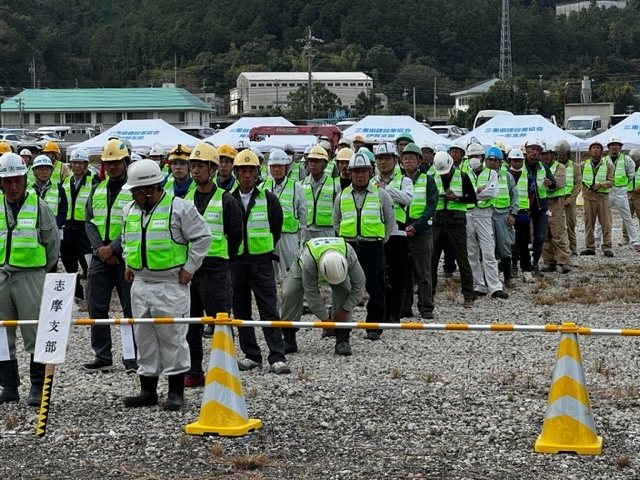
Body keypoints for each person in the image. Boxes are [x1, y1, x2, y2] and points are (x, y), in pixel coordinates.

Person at [121, 160, 211, 410]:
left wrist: (190, 268)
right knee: (144, 338)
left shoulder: (180, 208)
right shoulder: (129, 210)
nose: (133, 195)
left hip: (170, 285)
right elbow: (127, 239)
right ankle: (147, 391)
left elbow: (203, 237)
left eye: (136, 191)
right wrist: (129, 263)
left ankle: (175, 392)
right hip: (140, 284)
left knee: (173, 339)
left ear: (151, 189)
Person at [0, 153, 60, 406]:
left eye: (17, 180)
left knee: (35, 331)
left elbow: (52, 244)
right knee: (2, 333)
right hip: (2, 275)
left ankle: (38, 386)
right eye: (7, 181)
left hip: (31, 275)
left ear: (25, 180)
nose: (13, 187)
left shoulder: (39, 206)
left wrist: (39, 272)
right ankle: (9, 386)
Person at [183, 143, 243, 385]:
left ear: (212, 169)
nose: (196, 170)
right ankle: (194, 372)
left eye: (201, 166)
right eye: (193, 166)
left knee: (221, 323)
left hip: (217, 270)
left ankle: (225, 373)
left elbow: (236, 237)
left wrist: (223, 260)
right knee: (191, 324)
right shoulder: (185, 200)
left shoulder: (227, 201)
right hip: (191, 271)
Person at [230, 149, 290, 374]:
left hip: (261, 262)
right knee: (241, 310)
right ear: (236, 173)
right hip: (236, 263)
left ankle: (277, 356)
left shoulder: (269, 199)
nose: (247, 175)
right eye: (243, 171)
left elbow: (276, 228)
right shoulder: (228, 200)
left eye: (251, 171)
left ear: (257, 173)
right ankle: (252, 355)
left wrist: (262, 249)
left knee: (269, 309)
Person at [83, 139, 138, 374]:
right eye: (108, 163)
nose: (112, 167)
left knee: (130, 309)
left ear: (126, 162)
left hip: (125, 258)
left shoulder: (133, 190)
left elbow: (134, 223)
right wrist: (100, 250)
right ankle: (102, 356)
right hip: (100, 258)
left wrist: (113, 249)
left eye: (116, 162)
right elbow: (89, 222)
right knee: (95, 306)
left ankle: (132, 358)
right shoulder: (97, 189)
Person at [333, 151, 395, 340]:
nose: (360, 175)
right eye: (356, 171)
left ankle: (374, 327)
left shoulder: (381, 195)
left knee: (377, 289)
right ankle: (342, 329)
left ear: (370, 172)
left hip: (373, 248)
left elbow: (390, 221)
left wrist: (380, 240)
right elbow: (336, 222)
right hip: (349, 248)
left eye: (363, 171)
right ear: (350, 173)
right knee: (344, 288)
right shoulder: (341, 196)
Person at [280, 238, 366, 356]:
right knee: (290, 293)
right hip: (303, 267)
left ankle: (343, 339)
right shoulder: (309, 260)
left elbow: (359, 286)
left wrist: (345, 309)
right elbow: (311, 293)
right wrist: (324, 319)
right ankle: (288, 338)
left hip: (337, 270)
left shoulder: (349, 255)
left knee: (344, 291)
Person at [373, 142, 414, 323]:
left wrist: (386, 190)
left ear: (395, 160)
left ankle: (395, 316)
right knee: (379, 276)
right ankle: (382, 313)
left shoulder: (404, 180)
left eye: (387, 158)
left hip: (398, 234)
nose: (383, 162)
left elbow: (408, 198)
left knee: (398, 277)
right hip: (376, 234)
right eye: (380, 158)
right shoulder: (371, 181)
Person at [430, 151, 478, 307]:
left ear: (451, 165)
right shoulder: (432, 177)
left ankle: (468, 295)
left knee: (462, 259)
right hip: (437, 222)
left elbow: (473, 199)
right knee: (431, 260)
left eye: (446, 172)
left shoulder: (463, 176)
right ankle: (429, 295)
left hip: (456, 223)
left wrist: (456, 198)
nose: (444, 175)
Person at [465, 145, 508, 299]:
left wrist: (471, 192)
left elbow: (492, 192)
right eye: (471, 156)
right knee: (472, 253)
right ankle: (479, 285)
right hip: (468, 214)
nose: (473, 159)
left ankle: (495, 287)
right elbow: (460, 193)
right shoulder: (463, 173)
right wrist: (479, 190)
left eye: (476, 156)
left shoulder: (491, 173)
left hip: (484, 215)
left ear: (482, 157)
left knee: (488, 251)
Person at [401, 143, 438, 319]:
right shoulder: (398, 181)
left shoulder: (428, 180)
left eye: (411, 158)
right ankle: (405, 307)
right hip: (402, 232)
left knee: (423, 272)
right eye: (405, 158)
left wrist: (417, 226)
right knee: (404, 273)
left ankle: (425, 306)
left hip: (422, 232)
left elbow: (431, 206)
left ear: (419, 161)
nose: (408, 161)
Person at [262, 148, 307, 285]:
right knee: (268, 274)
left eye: (280, 166)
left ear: (287, 167)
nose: (276, 169)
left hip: (288, 237)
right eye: (273, 166)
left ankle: (293, 299)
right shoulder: (263, 187)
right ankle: (273, 299)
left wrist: (302, 241)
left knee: (291, 274)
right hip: (268, 237)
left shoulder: (296, 187)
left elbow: (303, 215)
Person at [61, 148, 97, 299]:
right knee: (68, 262)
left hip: (84, 228)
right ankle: (76, 293)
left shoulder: (93, 181)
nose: (77, 166)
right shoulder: (66, 182)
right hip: (68, 227)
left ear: (86, 164)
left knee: (87, 263)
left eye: (80, 163)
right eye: (74, 163)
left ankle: (92, 292)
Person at [596, 137, 640, 251]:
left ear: (620, 147)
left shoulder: (626, 159)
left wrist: (623, 183)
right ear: (609, 147)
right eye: (612, 145)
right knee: (602, 216)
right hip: (608, 192)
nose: (614, 147)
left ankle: (635, 241)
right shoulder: (604, 160)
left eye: (616, 145)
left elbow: (631, 173)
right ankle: (596, 240)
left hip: (621, 192)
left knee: (627, 217)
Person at [486, 147, 518, 287]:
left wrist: (513, 213)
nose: (492, 163)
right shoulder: (482, 175)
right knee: (488, 248)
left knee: (505, 246)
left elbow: (514, 195)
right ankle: (490, 279)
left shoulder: (507, 176)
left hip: (503, 215)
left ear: (500, 161)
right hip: (487, 215)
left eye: (494, 160)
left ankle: (507, 278)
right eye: (489, 160)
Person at [539, 143, 572, 273]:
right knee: (544, 233)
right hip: (542, 203)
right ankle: (549, 262)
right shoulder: (539, 167)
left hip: (556, 203)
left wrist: (546, 186)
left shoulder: (559, 167)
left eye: (547, 154)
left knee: (558, 232)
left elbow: (558, 183)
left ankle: (563, 261)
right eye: (542, 154)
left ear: (553, 154)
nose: (545, 156)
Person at [580, 140, 614, 257]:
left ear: (601, 151)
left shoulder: (608, 165)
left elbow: (611, 182)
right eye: (593, 148)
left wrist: (601, 185)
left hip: (602, 198)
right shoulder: (583, 165)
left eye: (598, 148)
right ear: (590, 151)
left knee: (606, 223)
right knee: (588, 223)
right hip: (588, 198)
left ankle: (607, 246)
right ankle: (590, 247)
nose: (595, 150)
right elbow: (579, 179)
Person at [302, 145, 341, 241]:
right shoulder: (301, 185)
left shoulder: (335, 186)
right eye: (311, 161)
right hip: (307, 230)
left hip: (327, 231)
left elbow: (339, 212)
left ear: (325, 164)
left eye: (317, 161)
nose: (313, 164)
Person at [508, 148, 536, 282]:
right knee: (510, 243)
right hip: (508, 215)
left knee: (523, 244)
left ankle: (526, 270)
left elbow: (532, 196)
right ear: (510, 161)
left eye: (519, 161)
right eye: (515, 161)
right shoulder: (504, 177)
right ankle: (512, 266)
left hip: (523, 215)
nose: (517, 163)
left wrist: (524, 207)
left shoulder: (528, 177)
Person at [554, 139, 581, 256]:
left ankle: (573, 249)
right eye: (559, 154)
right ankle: (560, 249)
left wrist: (570, 200)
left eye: (564, 154)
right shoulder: (553, 166)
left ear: (568, 154)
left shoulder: (575, 167)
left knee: (570, 225)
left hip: (569, 200)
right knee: (557, 226)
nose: (561, 157)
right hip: (556, 200)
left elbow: (578, 185)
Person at [30, 155, 68, 231]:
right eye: (41, 169)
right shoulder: (27, 189)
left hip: (53, 231)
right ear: (34, 171)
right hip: (31, 231)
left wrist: (51, 226)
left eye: (47, 169)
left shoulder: (59, 189)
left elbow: (63, 213)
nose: (44, 172)